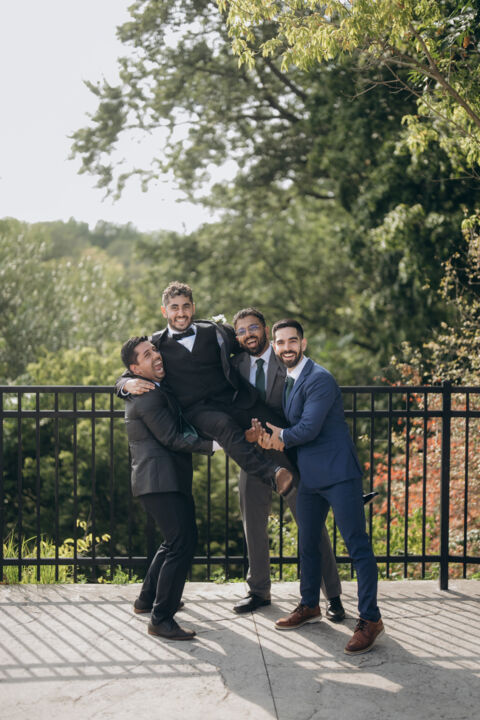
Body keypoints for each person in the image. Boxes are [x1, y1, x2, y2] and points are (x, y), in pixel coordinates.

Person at [256, 319, 384, 655]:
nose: (286, 347)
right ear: (274, 346)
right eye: (280, 342)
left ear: (303, 343)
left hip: (339, 473)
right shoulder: (288, 379)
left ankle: (370, 619)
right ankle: (310, 605)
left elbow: (308, 428)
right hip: (310, 478)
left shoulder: (320, 379)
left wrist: (278, 439)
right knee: (308, 543)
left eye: (292, 341)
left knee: (357, 546)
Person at [116, 281, 294, 495]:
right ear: (164, 311)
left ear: (193, 307)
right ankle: (273, 474)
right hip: (198, 411)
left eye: (186, 306)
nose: (181, 313)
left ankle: (312, 471)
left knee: (280, 427)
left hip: (235, 400)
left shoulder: (216, 331)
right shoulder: (156, 343)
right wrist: (125, 384)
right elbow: (130, 370)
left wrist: (281, 350)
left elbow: (249, 343)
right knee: (224, 425)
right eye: (174, 308)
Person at [230, 308, 345, 621]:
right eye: (242, 330)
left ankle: (333, 596)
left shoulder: (289, 359)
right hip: (253, 458)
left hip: (290, 456)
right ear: (237, 336)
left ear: (265, 330)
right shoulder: (234, 366)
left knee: (311, 524)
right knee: (253, 524)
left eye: (254, 327)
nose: (248, 334)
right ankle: (258, 591)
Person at [121, 335, 216, 641]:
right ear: (136, 369)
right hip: (159, 481)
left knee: (174, 540)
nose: (156, 355)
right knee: (181, 543)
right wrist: (215, 444)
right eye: (147, 355)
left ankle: (147, 600)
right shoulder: (147, 396)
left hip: (164, 479)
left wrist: (124, 383)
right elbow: (172, 438)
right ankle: (161, 618)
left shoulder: (148, 386)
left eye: (155, 350)